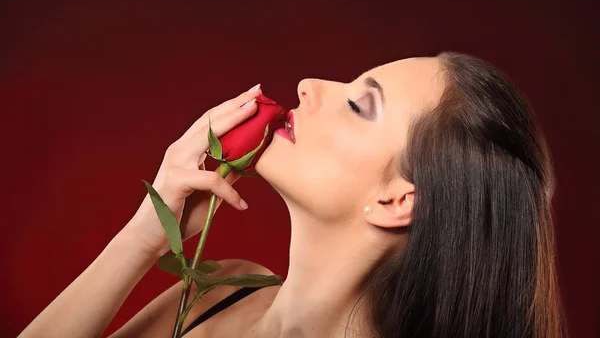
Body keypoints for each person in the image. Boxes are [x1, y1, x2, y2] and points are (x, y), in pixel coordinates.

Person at [19, 52, 566, 338]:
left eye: (358, 105)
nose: (309, 86)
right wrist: (147, 232)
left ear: (399, 200)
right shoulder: (216, 295)